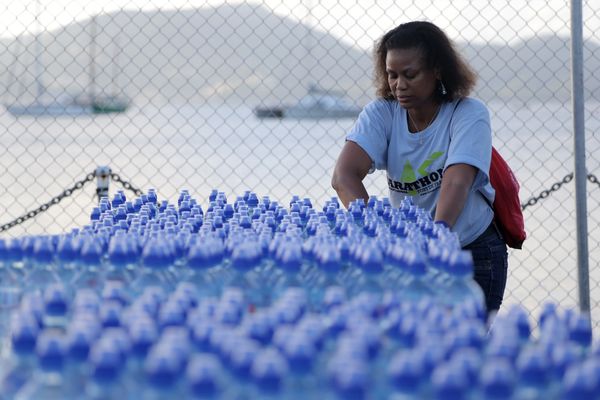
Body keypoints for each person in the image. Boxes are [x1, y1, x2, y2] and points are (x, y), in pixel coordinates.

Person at [331, 21, 508, 314]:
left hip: (471, 252)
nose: (399, 85)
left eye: (410, 74)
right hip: (411, 256)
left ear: (437, 70)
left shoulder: (467, 114)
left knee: (464, 352)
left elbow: (456, 183)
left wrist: (435, 239)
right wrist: (375, 232)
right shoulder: (382, 113)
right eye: (392, 75)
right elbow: (343, 176)